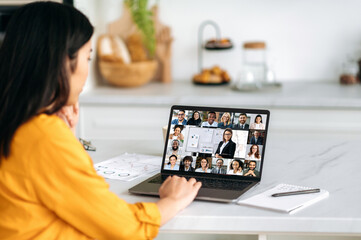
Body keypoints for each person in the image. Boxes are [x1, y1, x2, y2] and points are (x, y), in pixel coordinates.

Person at [0, 3, 202, 239]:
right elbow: (125, 229)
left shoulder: (17, 120)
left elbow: (60, 192)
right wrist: (173, 201)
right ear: (64, 62)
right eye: (87, 57)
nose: (87, 68)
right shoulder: (43, 136)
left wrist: (67, 135)